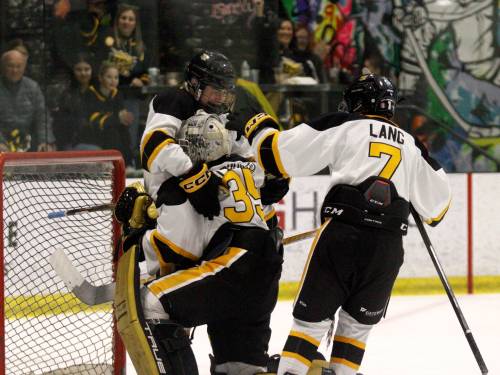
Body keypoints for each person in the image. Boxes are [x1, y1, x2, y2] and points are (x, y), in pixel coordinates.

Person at [227, 72, 451, 375]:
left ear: (357, 102)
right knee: (355, 332)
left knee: (309, 325)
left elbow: (277, 156)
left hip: (343, 237)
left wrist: (258, 125)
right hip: (387, 249)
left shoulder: (345, 124)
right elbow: (438, 208)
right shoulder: (413, 146)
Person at [115, 110, 283, 375]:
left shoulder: (193, 185)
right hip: (265, 276)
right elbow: (273, 201)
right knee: (239, 368)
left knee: (152, 303)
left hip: (232, 271)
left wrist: (134, 231)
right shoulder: (249, 171)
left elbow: (177, 250)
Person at [140, 49, 287, 224]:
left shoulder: (221, 111)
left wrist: (265, 178)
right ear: (195, 83)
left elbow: (240, 154)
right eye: (216, 90)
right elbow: (153, 146)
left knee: (264, 214)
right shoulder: (174, 100)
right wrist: (195, 177)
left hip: (210, 193)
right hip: (171, 196)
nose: (221, 98)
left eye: (225, 92)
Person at [105, 3, 151, 156]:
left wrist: (141, 81)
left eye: (131, 19)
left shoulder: (140, 47)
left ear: (135, 23)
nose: (127, 22)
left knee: (129, 138)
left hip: (131, 97)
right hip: (107, 98)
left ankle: (129, 166)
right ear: (118, 20)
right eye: (124, 18)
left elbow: (146, 73)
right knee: (111, 135)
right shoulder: (108, 42)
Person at [0, 44, 56, 152]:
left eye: (18, 66)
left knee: (48, 150)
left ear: (24, 67)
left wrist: (44, 141)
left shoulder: (33, 87)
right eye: (10, 66)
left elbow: (42, 118)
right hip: (3, 143)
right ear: (3, 67)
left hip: (29, 141)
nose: (14, 70)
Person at [77, 61, 134, 164]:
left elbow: (121, 116)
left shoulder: (117, 94)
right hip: (93, 134)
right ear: (100, 78)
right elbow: (95, 121)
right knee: (112, 132)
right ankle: (115, 165)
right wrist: (117, 118)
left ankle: (129, 164)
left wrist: (125, 119)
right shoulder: (90, 93)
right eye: (109, 77)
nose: (113, 81)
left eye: (116, 77)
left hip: (113, 129)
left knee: (124, 132)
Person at [53, 52, 94, 150]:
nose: (83, 73)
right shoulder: (66, 94)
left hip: (95, 140)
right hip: (72, 143)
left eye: (86, 69)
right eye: (79, 70)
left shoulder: (99, 91)